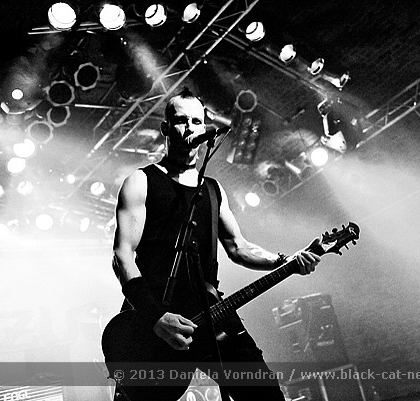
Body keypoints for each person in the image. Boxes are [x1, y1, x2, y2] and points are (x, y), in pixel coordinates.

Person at [110, 87, 321, 400]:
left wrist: (284, 261)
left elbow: (238, 247)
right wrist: (155, 317)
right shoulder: (141, 182)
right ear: (166, 128)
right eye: (181, 121)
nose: (190, 128)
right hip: (154, 315)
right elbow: (122, 256)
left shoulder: (213, 189)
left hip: (210, 311)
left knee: (264, 395)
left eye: (197, 121)